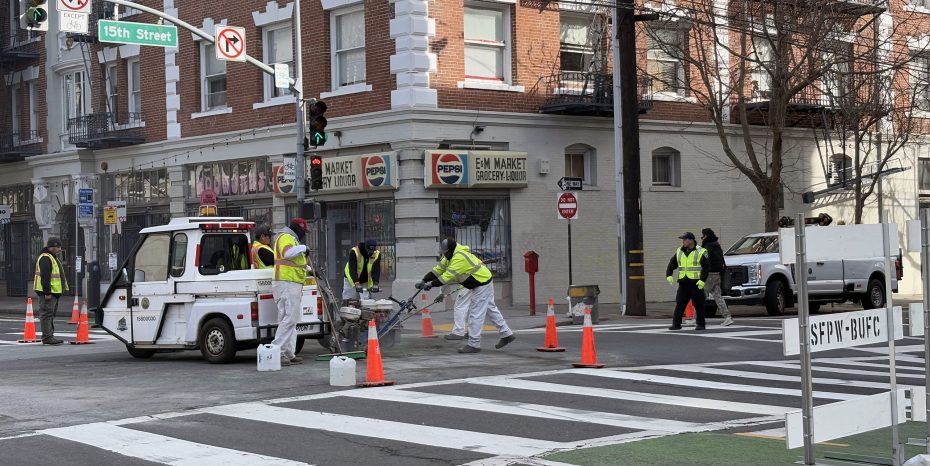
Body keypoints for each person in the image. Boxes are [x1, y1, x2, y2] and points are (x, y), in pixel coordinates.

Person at [416, 238, 515, 353]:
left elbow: (446, 277)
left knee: (475, 314)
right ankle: (506, 334)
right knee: (490, 309)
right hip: (478, 281)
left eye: (445, 252)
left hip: (481, 283)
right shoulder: (449, 256)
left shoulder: (459, 258)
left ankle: (474, 344)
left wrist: (431, 285)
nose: (444, 255)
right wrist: (424, 280)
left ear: (450, 250)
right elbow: (438, 270)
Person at [271, 218, 309, 366]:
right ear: (299, 228)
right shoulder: (286, 237)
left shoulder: (292, 238)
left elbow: (294, 262)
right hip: (287, 282)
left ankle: (288, 353)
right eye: (304, 231)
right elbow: (288, 254)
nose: (304, 234)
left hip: (289, 282)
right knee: (291, 318)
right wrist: (303, 248)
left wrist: (309, 270)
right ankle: (277, 351)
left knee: (288, 319)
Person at [665, 232, 709, 331]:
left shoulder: (701, 251)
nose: (683, 242)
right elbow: (672, 263)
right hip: (683, 283)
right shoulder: (679, 251)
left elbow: (706, 267)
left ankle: (701, 324)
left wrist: (702, 280)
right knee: (680, 303)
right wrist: (669, 274)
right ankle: (676, 324)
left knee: (699, 304)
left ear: (691, 240)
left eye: (684, 239)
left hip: (696, 283)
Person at [34, 237, 68, 345]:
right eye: (57, 247)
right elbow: (45, 276)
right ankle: (48, 337)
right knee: (47, 314)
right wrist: (47, 293)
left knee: (49, 314)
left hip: (54, 292)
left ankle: (49, 336)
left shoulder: (52, 257)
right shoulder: (45, 257)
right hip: (48, 293)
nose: (59, 249)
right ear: (52, 247)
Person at [701, 228, 734, 326]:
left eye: (702, 236)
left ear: (706, 236)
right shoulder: (717, 246)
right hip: (718, 274)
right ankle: (727, 317)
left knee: (701, 295)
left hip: (710, 274)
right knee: (718, 296)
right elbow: (721, 260)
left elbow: (704, 260)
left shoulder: (707, 246)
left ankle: (696, 318)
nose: (701, 238)